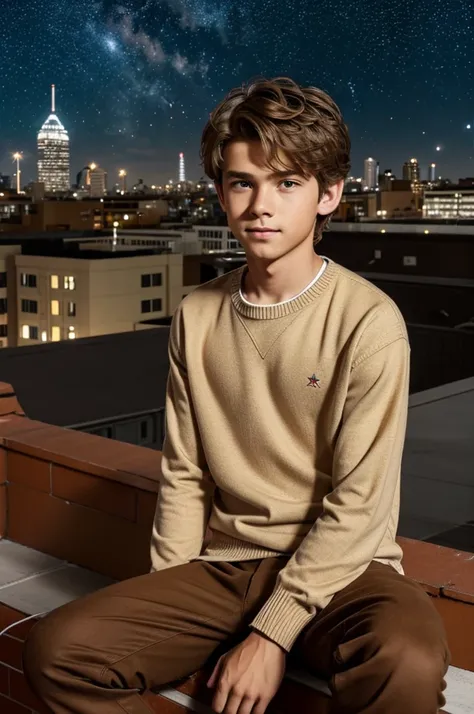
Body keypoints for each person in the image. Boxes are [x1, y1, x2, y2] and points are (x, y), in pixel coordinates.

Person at [23, 76, 450, 714]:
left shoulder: (369, 321)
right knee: (57, 652)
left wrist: (270, 635)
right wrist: (167, 603)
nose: (261, 205)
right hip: (224, 570)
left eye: (287, 182)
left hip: (343, 575)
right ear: (222, 193)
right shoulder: (198, 315)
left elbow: (359, 507)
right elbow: (186, 475)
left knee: (409, 662)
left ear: (328, 194)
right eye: (242, 182)